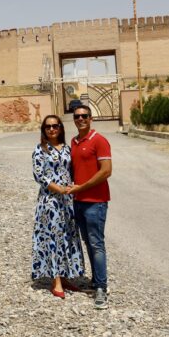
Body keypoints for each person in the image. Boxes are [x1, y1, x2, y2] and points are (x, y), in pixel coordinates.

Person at [31, 114, 84, 298]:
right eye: (48, 127)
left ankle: (65, 274)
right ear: (44, 130)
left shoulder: (68, 149)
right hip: (50, 202)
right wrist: (59, 189)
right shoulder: (40, 150)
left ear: (60, 128)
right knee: (53, 238)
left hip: (67, 201)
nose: (52, 129)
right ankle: (56, 281)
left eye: (55, 126)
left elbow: (74, 170)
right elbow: (40, 176)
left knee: (67, 236)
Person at [66, 105, 112, 309]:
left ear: (91, 118)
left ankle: (101, 287)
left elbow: (106, 171)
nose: (81, 119)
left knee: (96, 243)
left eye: (84, 116)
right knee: (87, 242)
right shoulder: (74, 142)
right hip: (79, 202)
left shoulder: (99, 140)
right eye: (77, 116)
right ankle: (95, 281)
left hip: (95, 201)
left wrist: (82, 187)